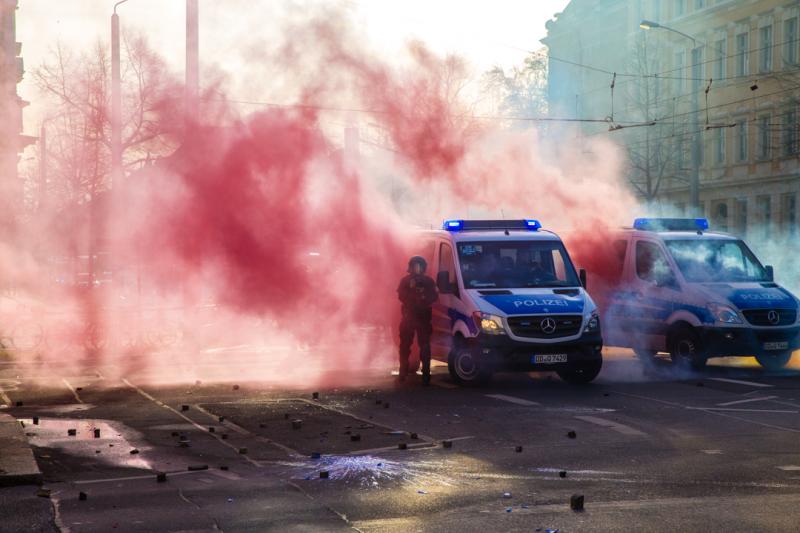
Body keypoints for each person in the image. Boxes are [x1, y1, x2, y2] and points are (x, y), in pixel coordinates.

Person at [397, 256, 438, 385]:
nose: (417, 268)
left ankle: (426, 374)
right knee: (405, 346)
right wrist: (411, 289)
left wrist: (423, 295)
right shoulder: (406, 281)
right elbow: (402, 297)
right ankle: (403, 372)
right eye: (415, 266)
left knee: (424, 346)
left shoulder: (429, 282)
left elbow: (434, 297)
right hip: (410, 316)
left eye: (419, 266)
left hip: (422, 317)